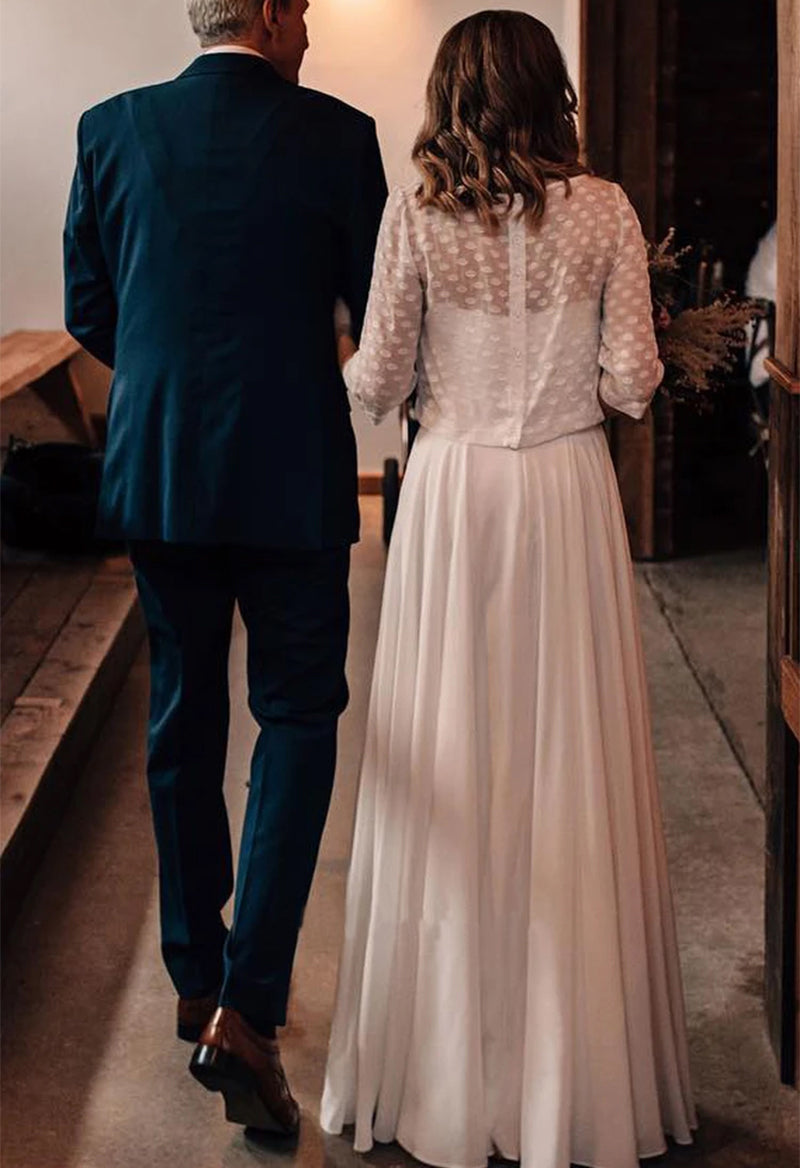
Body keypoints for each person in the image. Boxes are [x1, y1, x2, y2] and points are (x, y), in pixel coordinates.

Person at [322, 12, 697, 1168]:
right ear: (550, 91)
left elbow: (377, 379)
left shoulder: (416, 212)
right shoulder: (606, 210)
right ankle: (567, 1084)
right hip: (564, 493)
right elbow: (631, 382)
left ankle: (443, 1071)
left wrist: (343, 359)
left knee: (451, 759)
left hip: (451, 497)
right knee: (563, 760)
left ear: (450, 95)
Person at [63, 0, 387, 1136]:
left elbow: (90, 307)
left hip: (160, 471)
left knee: (182, 716)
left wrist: (172, 379)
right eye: (304, 10)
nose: (310, 31)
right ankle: (249, 1006)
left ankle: (197, 979)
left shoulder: (110, 128)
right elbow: (376, 306)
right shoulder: (338, 135)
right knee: (296, 719)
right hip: (293, 471)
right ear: (269, 11)